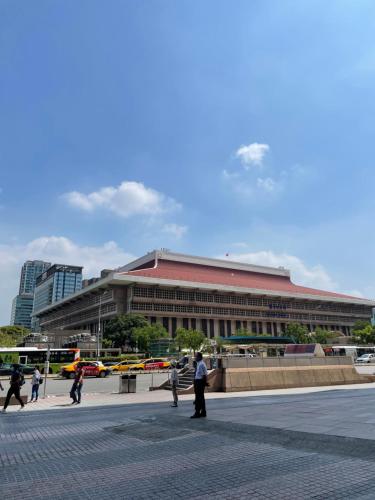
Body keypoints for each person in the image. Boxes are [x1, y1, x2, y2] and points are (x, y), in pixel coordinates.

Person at [191, 352, 208, 419]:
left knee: (198, 398)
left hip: (199, 382)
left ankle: (197, 412)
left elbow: (204, 375)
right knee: (201, 398)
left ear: (200, 357)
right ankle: (203, 412)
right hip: (198, 381)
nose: (195, 358)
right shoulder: (199, 363)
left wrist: (203, 383)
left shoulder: (201, 364)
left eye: (196, 356)